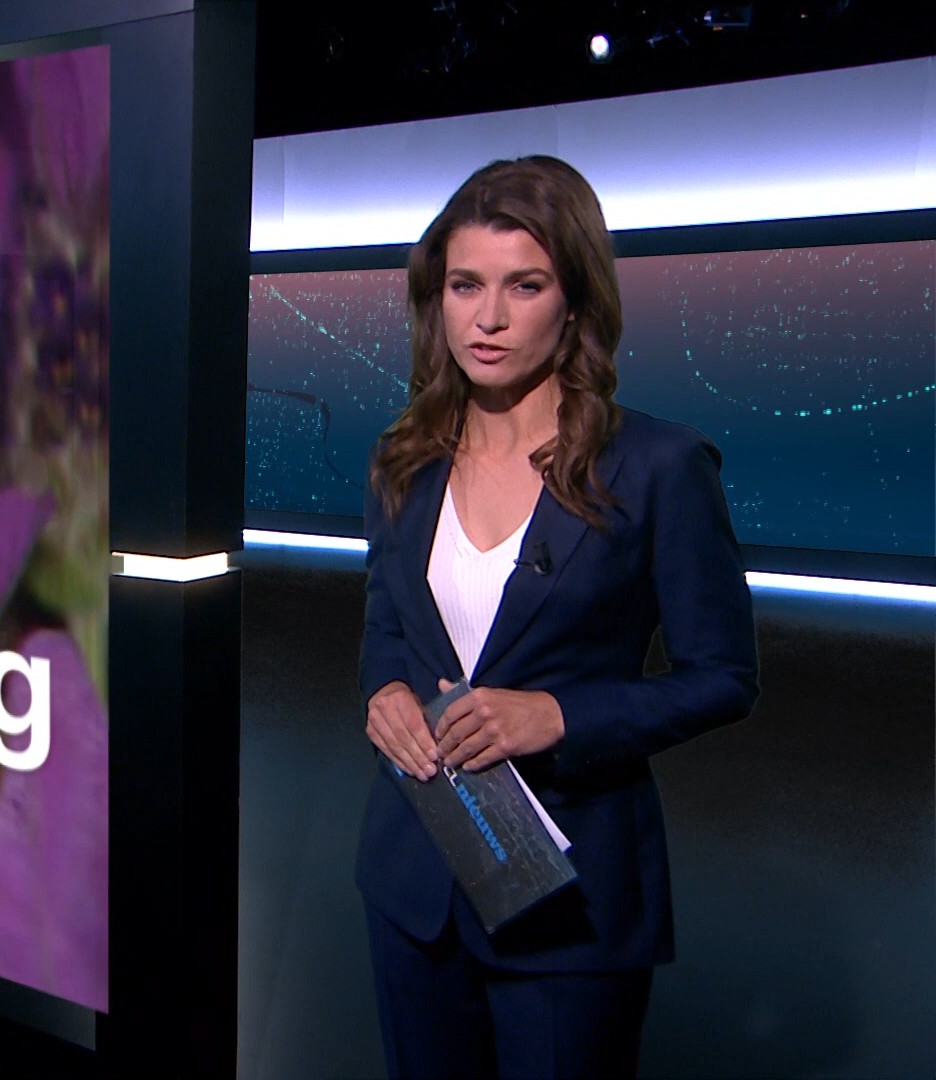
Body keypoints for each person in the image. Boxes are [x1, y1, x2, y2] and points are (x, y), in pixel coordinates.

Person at [356, 155, 759, 1079]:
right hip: (413, 883)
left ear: (574, 303)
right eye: (466, 285)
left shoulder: (658, 466)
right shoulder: (402, 459)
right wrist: (382, 691)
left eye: (524, 286)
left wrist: (560, 716)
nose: (488, 318)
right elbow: (387, 624)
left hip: (568, 907)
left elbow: (724, 678)